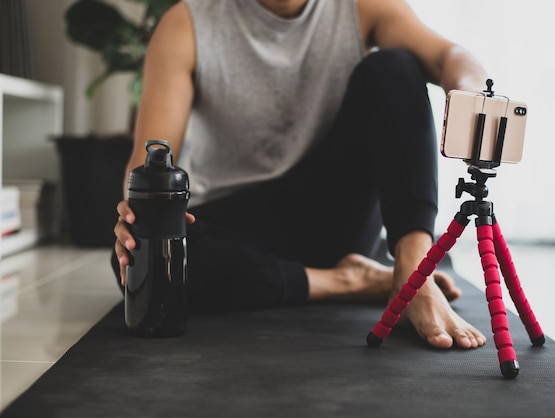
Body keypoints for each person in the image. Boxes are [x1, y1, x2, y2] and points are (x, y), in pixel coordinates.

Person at [113, 0, 489, 349]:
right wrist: (138, 222)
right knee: (141, 257)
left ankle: (413, 272)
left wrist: (473, 93)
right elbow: (150, 163)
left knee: (395, 67)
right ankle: (349, 281)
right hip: (238, 227)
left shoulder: (361, 6)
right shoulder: (186, 23)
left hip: (333, 213)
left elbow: (446, 57)